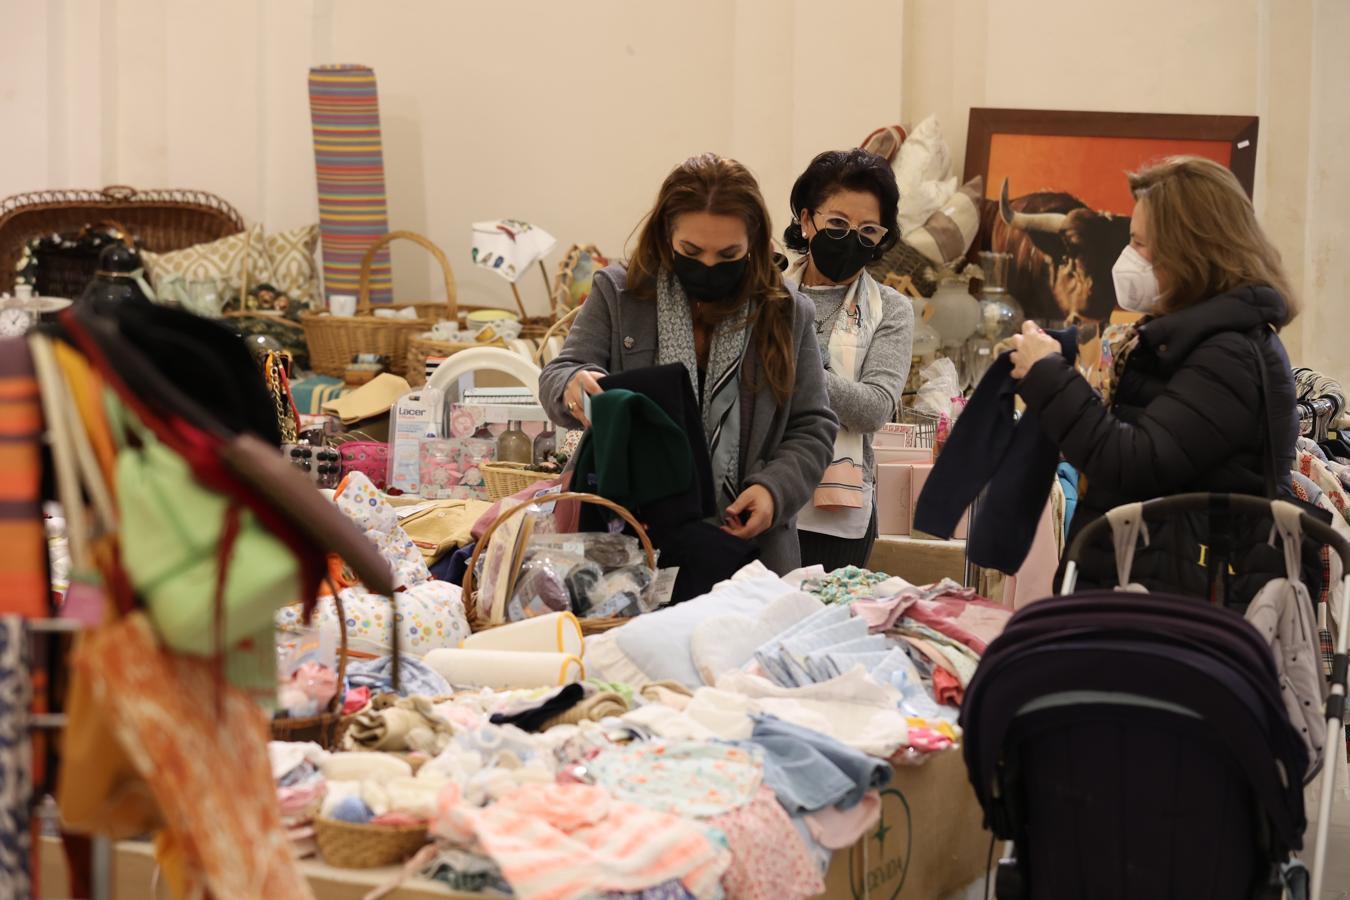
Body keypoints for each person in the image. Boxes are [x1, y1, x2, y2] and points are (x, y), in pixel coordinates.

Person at [539, 153, 837, 574]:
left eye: (728, 253)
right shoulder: (620, 294)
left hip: (749, 553)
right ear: (665, 235)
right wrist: (572, 384)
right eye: (691, 251)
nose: (709, 266)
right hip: (626, 546)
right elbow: (559, 373)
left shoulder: (786, 314)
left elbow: (813, 426)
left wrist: (774, 491)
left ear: (754, 242)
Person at [1009, 155, 1299, 584]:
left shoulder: (1227, 355)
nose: (1128, 258)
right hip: (1152, 584)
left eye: (1142, 244)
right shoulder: (1193, 339)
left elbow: (1133, 462)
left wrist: (1050, 377)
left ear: (1192, 251)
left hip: (1177, 607)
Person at [782, 149, 913, 570]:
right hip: (758, 491)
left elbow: (873, 408)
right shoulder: (766, 298)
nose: (852, 238)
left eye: (868, 230)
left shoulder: (890, 309)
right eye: (837, 223)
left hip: (837, 514)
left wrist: (791, 366)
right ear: (806, 221)